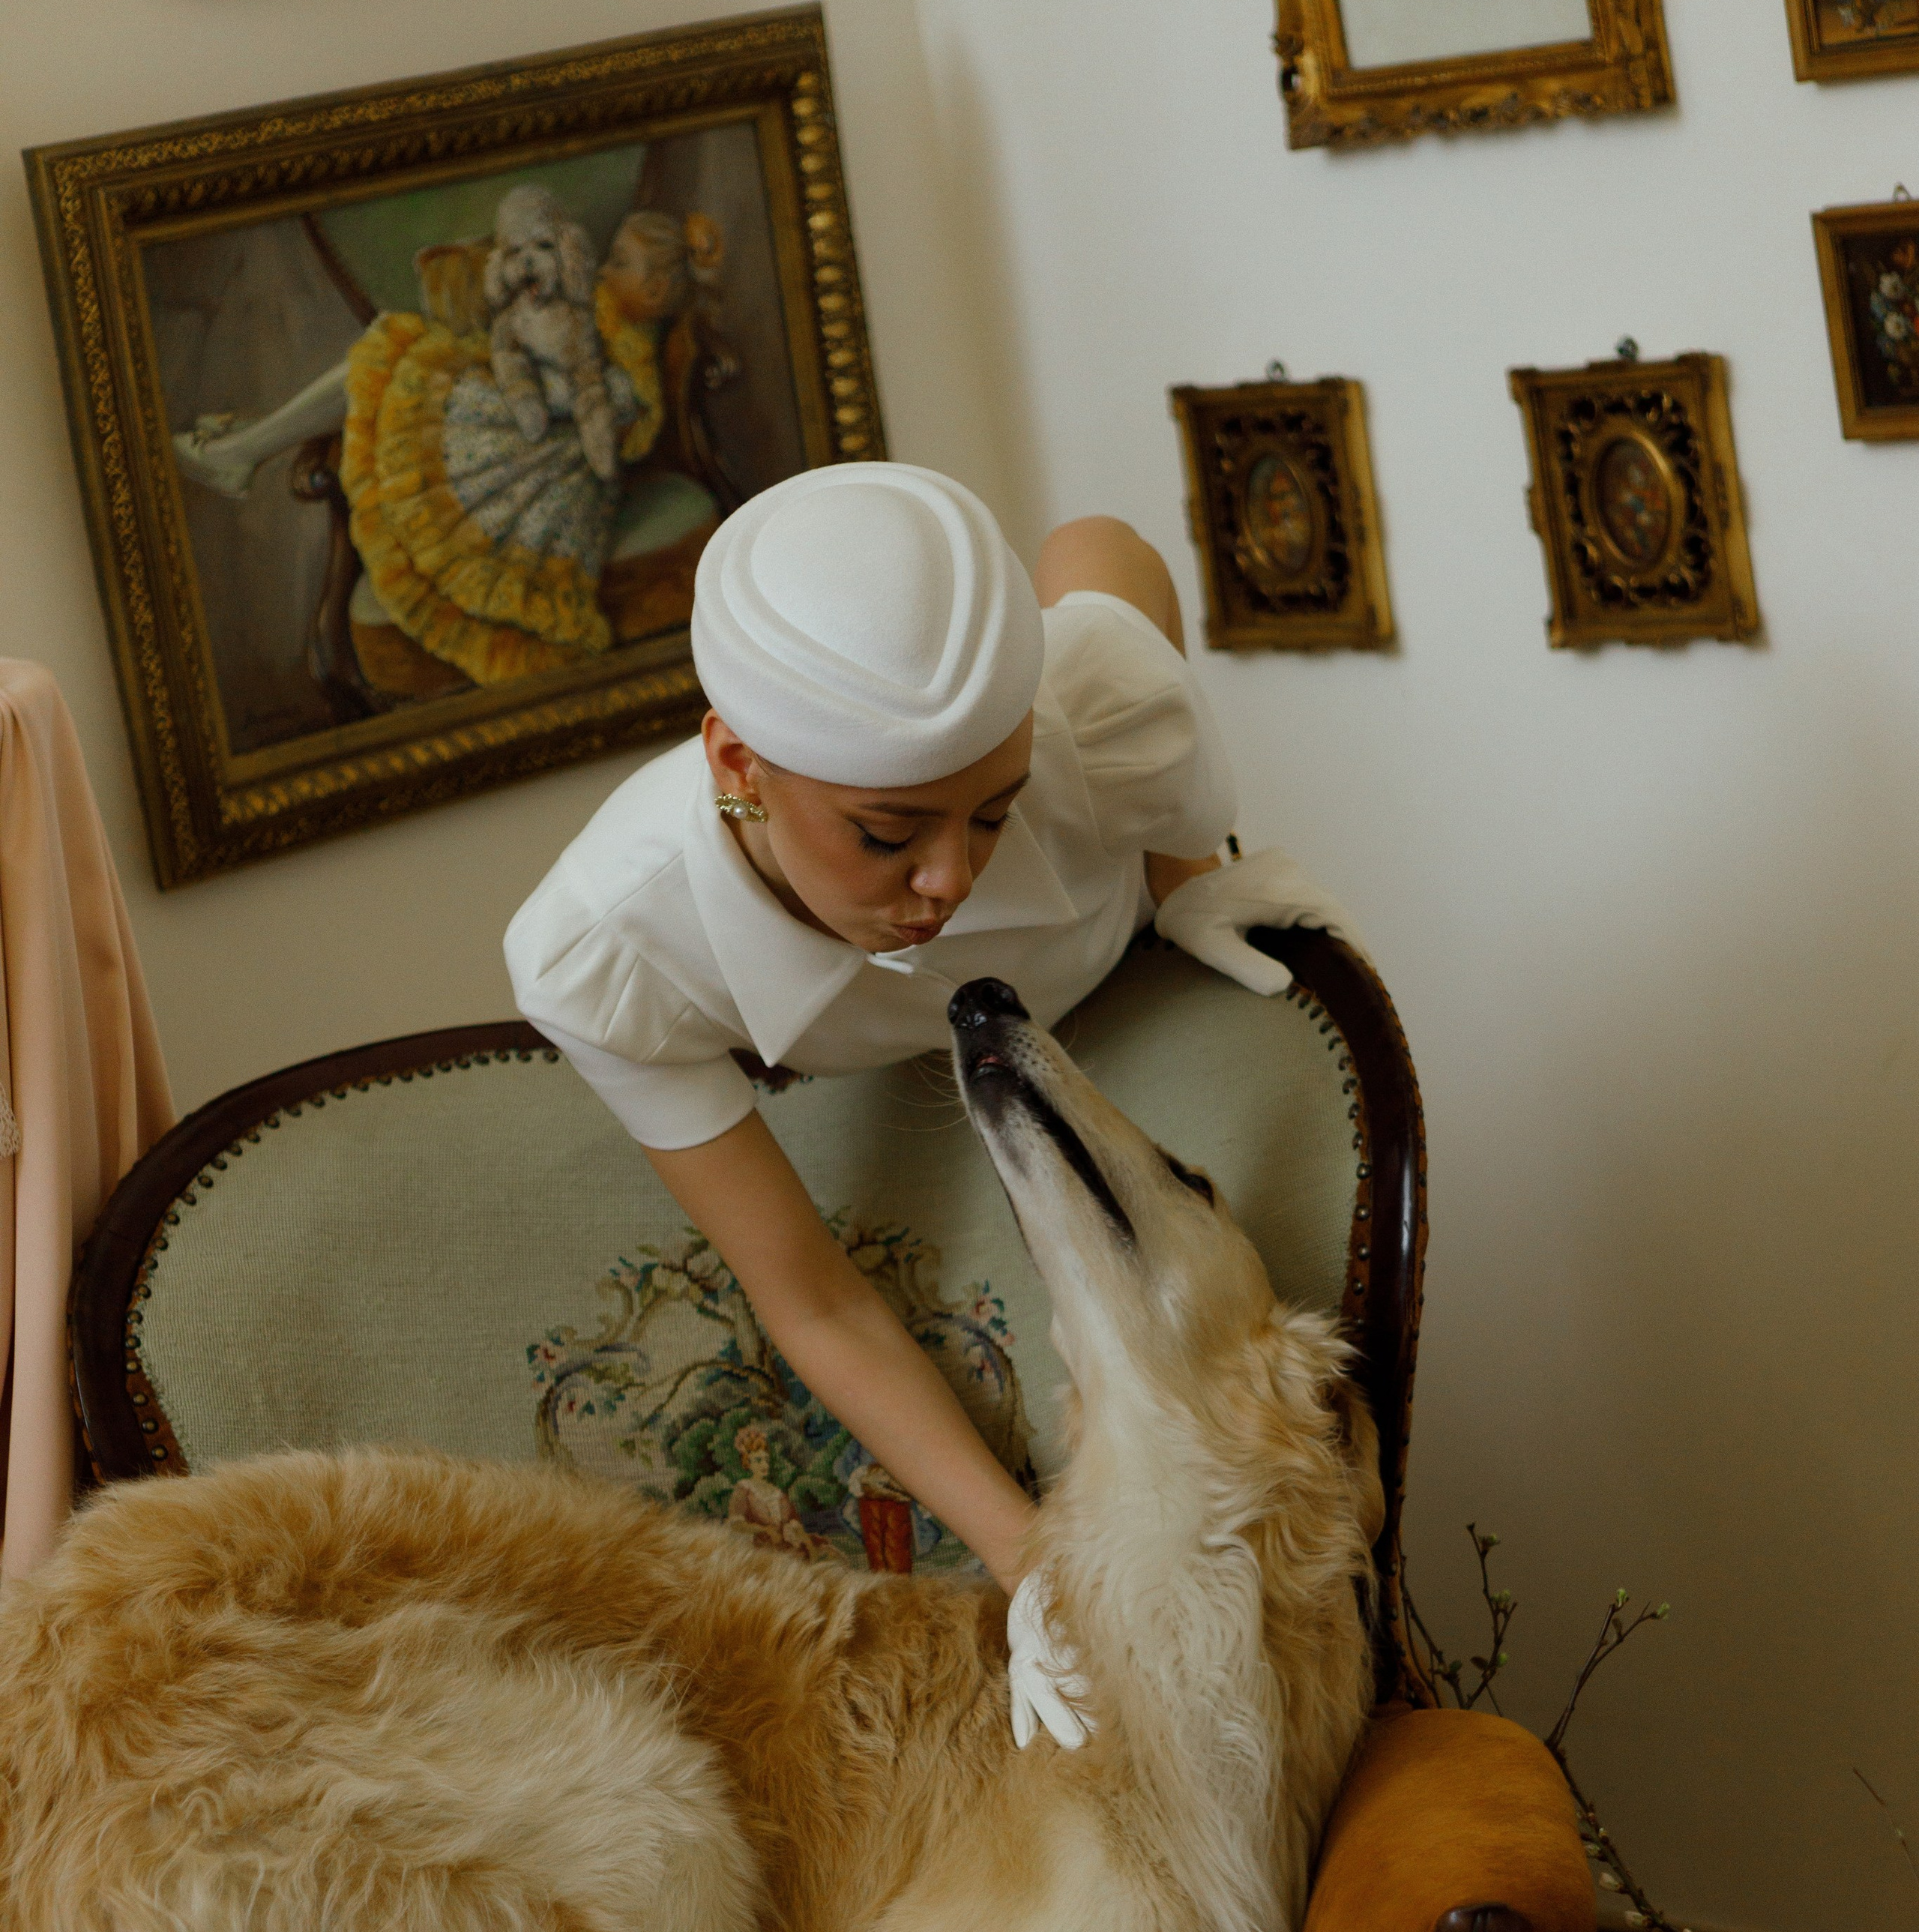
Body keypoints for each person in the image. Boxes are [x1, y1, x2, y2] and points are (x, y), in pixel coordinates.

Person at [504, 462, 1358, 1746]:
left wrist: (1186, 869)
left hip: (1127, 1011)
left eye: (993, 815)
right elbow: (814, 1299)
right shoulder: (608, 952)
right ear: (736, 763)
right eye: (887, 835)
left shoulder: (1085, 711)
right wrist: (1032, 1563)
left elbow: (1107, 545)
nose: (948, 879)